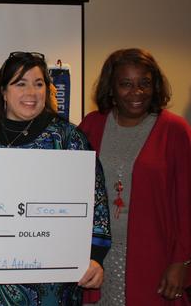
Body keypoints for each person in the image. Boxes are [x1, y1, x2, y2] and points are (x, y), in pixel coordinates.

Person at [0, 52, 112, 305]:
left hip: (50, 284)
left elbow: (97, 203)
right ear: (4, 91)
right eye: (21, 83)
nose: (32, 92)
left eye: (39, 84)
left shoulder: (68, 139)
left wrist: (95, 257)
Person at [79, 48, 191, 305]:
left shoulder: (174, 131)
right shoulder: (92, 125)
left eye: (144, 83)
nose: (136, 92)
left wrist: (181, 262)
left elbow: (187, 202)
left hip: (154, 257)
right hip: (97, 257)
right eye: (126, 84)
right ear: (111, 88)